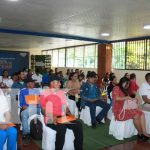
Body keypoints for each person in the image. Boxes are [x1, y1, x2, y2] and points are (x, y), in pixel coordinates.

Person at [40, 75, 83, 150]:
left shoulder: (61, 93)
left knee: (78, 124)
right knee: (61, 127)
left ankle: (78, 148)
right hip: (50, 118)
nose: (60, 84)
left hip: (62, 117)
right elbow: (43, 110)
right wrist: (53, 117)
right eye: (58, 82)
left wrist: (70, 115)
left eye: (60, 82)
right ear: (51, 83)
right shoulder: (44, 93)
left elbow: (65, 108)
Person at [112, 77, 149, 141]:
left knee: (141, 113)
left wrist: (134, 99)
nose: (127, 85)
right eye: (126, 84)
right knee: (136, 115)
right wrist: (127, 97)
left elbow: (128, 99)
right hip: (120, 110)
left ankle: (144, 132)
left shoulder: (125, 89)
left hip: (126, 108)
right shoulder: (116, 88)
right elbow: (116, 98)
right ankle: (140, 133)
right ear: (122, 82)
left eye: (128, 84)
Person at [19, 78, 40, 145]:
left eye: (34, 82)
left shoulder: (37, 91)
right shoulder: (23, 91)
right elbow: (21, 104)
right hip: (28, 108)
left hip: (37, 108)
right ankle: (26, 134)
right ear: (28, 84)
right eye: (32, 82)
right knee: (24, 114)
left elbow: (39, 102)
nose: (34, 84)